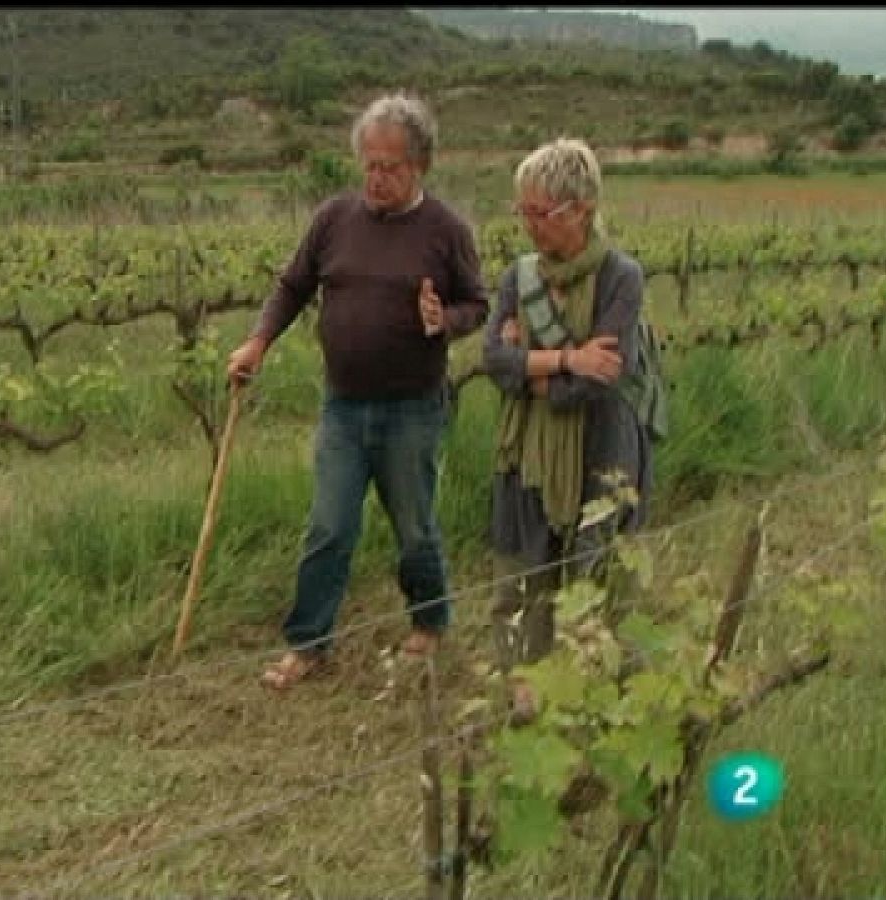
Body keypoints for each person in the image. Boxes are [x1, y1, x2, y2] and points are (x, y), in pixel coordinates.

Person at [227, 91, 489, 690]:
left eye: (390, 167)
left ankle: (429, 622)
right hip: (343, 406)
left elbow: (477, 303)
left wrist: (442, 321)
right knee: (329, 526)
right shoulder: (333, 219)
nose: (376, 178)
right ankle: (308, 643)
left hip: (413, 408)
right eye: (369, 164)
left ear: (420, 164)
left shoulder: (446, 230)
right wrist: (258, 341)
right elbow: (292, 287)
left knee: (415, 527)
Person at [480, 137, 653, 720]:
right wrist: (565, 360)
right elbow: (490, 360)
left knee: (594, 569)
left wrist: (526, 365)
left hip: (602, 448)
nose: (528, 225)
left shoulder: (620, 277)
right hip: (526, 452)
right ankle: (524, 696)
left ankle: (591, 696)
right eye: (522, 211)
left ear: (579, 209)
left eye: (539, 213)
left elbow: (598, 383)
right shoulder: (518, 276)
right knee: (519, 575)